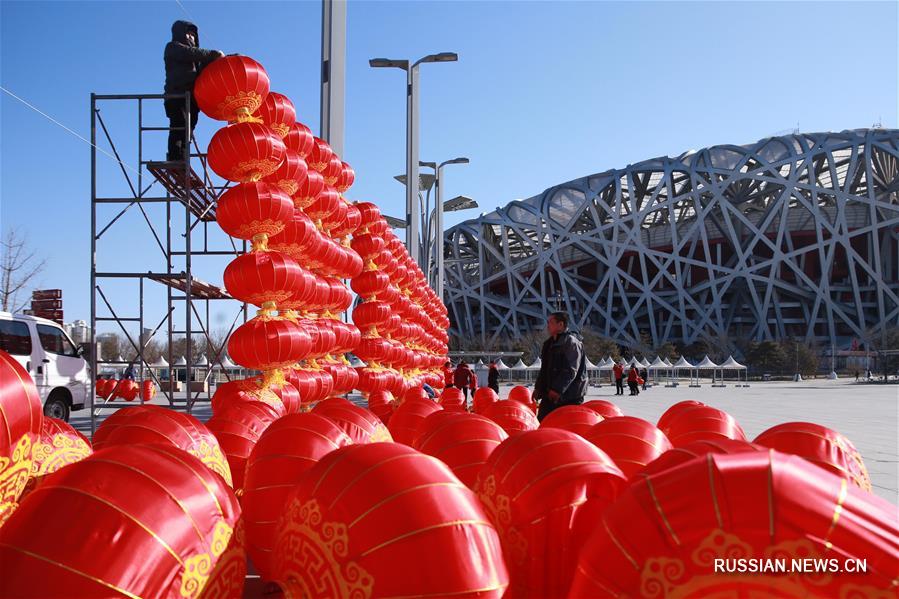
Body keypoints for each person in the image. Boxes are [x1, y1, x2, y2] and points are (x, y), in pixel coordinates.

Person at [164, 20, 224, 161]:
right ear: (179, 34)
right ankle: (175, 158)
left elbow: (207, 62)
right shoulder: (173, 48)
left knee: (188, 130)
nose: (191, 37)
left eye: (193, 35)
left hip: (192, 99)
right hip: (177, 96)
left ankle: (182, 158)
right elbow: (189, 53)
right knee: (179, 127)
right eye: (188, 34)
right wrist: (214, 54)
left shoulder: (197, 59)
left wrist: (230, 57)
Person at [534, 312, 587, 421]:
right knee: (543, 423)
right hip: (550, 395)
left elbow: (570, 370)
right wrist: (538, 388)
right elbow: (544, 370)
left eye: (551, 322)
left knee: (565, 428)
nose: (548, 325)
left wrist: (557, 390)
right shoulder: (548, 344)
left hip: (569, 397)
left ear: (561, 325)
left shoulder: (571, 343)